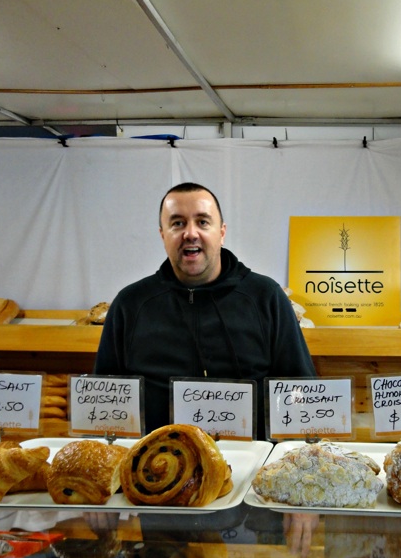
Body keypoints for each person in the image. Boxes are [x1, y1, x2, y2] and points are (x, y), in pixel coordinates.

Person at [94, 182, 317, 437]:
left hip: (251, 456)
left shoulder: (266, 298)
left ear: (221, 233)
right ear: (162, 235)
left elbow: (301, 393)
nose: (190, 233)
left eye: (202, 222)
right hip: (156, 456)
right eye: (177, 223)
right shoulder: (130, 305)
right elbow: (105, 408)